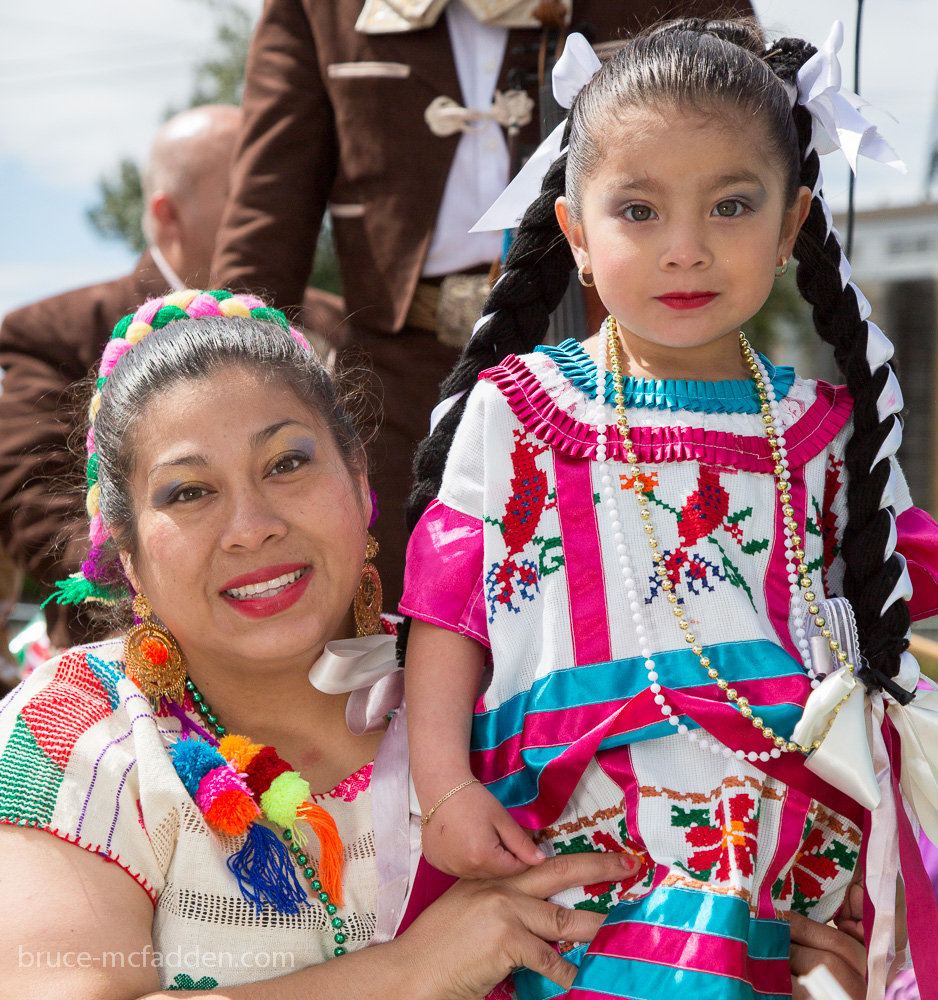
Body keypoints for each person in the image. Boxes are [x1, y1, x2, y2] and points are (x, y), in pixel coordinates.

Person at [400, 19, 938, 1000]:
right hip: (576, 832)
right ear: (575, 232)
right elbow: (446, 612)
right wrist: (443, 786)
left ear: (788, 226)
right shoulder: (517, 408)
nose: (684, 250)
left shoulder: (823, 432)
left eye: (730, 206)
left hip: (783, 852)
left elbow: (892, 609)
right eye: (638, 211)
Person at [0, 290, 646, 997]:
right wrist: (414, 970)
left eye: (286, 464)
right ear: (126, 554)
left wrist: (745, 907)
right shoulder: (80, 733)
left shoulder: (500, 685)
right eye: (188, 492)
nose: (251, 526)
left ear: (360, 483)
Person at [210, 0, 755, 614]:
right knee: (394, 624)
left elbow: (752, 153)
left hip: (630, 364)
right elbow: (267, 223)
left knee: (646, 609)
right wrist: (218, 375)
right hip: (401, 388)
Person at [0, 105, 343, 651]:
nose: (278, 204)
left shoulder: (333, 324)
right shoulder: (53, 335)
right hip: (144, 663)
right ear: (168, 214)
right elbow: (35, 506)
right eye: (249, 187)